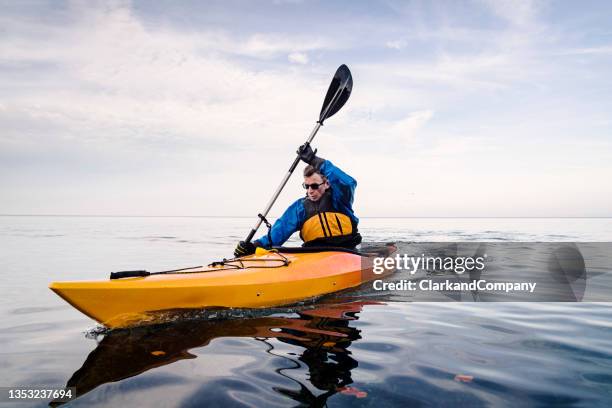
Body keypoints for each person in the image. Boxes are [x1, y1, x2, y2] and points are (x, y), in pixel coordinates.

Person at [234, 143, 362, 257]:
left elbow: (349, 183)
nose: (310, 190)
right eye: (306, 186)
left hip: (347, 252)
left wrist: (315, 161)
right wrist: (253, 246)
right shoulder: (299, 208)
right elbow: (278, 233)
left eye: (314, 186)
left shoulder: (340, 199)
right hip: (314, 256)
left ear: (327, 184)